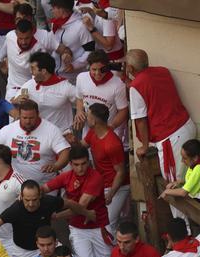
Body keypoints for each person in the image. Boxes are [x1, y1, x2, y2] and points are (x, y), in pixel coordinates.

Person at [126, 48, 197, 186]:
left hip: (171, 138)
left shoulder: (136, 86)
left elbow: (140, 120)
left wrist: (145, 146)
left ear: (130, 67)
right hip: (187, 125)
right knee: (190, 182)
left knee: (173, 184)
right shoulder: (163, 71)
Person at [43, 146, 111, 257]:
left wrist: (56, 216)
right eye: (76, 164)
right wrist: (29, 193)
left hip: (99, 227)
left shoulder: (95, 177)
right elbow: (44, 188)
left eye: (83, 163)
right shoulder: (66, 176)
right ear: (70, 164)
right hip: (78, 229)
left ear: (89, 161)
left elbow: (80, 207)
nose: (80, 168)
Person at [0, 100, 70, 185]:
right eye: (24, 118)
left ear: (38, 114)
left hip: (45, 185)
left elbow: (65, 152)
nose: (28, 121)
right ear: (19, 115)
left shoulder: (51, 130)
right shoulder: (9, 129)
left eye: (31, 118)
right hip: (16, 185)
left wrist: (56, 166)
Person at [82, 103, 129, 234]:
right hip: (102, 184)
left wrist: (111, 194)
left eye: (88, 115)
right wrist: (70, 140)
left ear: (94, 120)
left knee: (108, 224)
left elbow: (120, 172)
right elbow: (81, 146)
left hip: (116, 186)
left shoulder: (112, 143)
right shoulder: (93, 133)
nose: (86, 117)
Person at [75, 50, 129, 146]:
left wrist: (111, 127)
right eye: (94, 69)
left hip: (109, 133)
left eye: (102, 69)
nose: (97, 73)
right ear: (89, 67)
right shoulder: (81, 78)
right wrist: (79, 111)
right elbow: (79, 98)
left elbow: (123, 110)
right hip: (88, 131)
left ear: (107, 66)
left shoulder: (118, 84)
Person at [14, 52, 75, 135]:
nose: (31, 72)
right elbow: (14, 101)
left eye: (33, 68)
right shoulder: (29, 84)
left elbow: (81, 98)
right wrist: (16, 101)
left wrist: (79, 112)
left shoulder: (65, 86)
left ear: (43, 71)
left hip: (62, 134)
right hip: (38, 134)